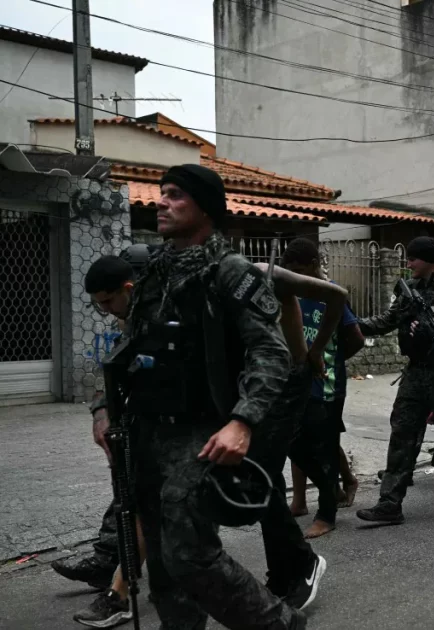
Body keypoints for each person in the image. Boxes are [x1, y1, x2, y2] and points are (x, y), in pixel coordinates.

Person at [121, 164, 305, 628]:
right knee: (162, 561)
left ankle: (280, 624)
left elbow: (271, 351)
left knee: (188, 555)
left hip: (203, 431)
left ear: (205, 207)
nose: (161, 201)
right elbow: (129, 344)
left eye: (176, 195)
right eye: (161, 192)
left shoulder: (230, 271)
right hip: (148, 430)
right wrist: (103, 409)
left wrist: (242, 421)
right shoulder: (154, 269)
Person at [356, 237, 434, 524]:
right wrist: (352, 324)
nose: (408, 263)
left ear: (430, 259)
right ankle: (389, 504)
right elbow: (388, 320)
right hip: (415, 373)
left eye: (413, 258)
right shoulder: (409, 291)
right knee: (401, 435)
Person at [63, 255, 146, 629]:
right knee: (136, 500)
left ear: (129, 289)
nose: (105, 311)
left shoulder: (166, 314)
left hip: (193, 427)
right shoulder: (127, 318)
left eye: (108, 302)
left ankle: (120, 588)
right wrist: (101, 411)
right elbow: (110, 367)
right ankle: (115, 572)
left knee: (146, 504)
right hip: (145, 424)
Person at [276, 238, 364, 538]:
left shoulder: (329, 294)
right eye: (290, 272)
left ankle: (326, 513)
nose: (296, 278)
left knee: (323, 447)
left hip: (326, 386)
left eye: (300, 270)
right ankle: (322, 493)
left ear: (314, 265)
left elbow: (356, 339)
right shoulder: (291, 293)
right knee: (295, 443)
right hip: (295, 385)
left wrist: (329, 359)